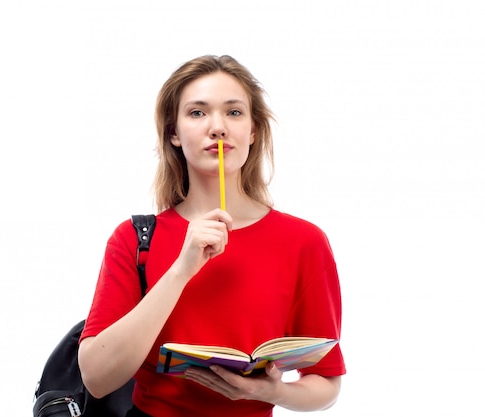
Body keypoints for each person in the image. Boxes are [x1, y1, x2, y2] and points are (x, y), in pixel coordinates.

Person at [78, 55, 346, 417]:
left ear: (253, 131)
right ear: (174, 133)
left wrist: (272, 391)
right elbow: (96, 377)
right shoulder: (133, 239)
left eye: (234, 113)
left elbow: (326, 384)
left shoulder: (304, 241)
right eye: (197, 113)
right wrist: (180, 270)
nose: (217, 127)